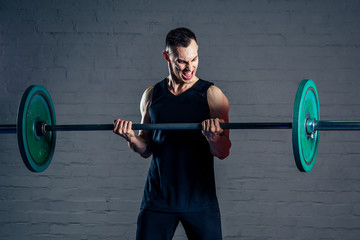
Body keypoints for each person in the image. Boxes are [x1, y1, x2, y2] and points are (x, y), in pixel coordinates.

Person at [113, 27, 231, 240]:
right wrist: (130, 137)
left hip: (200, 201)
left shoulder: (213, 95)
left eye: (194, 59)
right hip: (158, 199)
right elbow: (146, 148)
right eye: (182, 62)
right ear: (167, 56)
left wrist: (212, 137)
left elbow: (223, 151)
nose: (190, 68)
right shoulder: (152, 95)